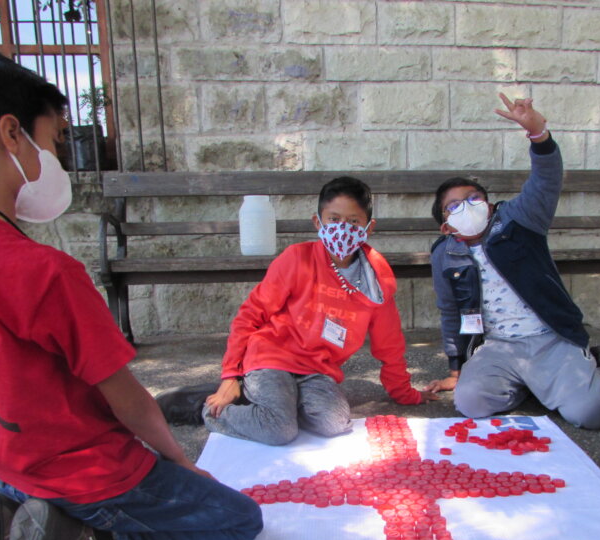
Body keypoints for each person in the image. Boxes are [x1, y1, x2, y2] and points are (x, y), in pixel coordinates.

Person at [0, 51, 262, 540]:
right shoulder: (41, 270)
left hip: (12, 465)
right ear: (10, 133)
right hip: (92, 474)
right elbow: (124, 398)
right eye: (54, 141)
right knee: (236, 521)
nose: (58, 159)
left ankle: (20, 511)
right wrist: (178, 460)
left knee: (65, 491)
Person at [157, 176, 437, 444]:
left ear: (369, 228)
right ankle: (207, 408)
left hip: (317, 368)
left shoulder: (377, 278)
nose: (343, 228)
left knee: (335, 423)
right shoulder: (296, 259)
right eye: (334, 219)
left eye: (353, 221)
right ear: (318, 222)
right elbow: (250, 316)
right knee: (279, 431)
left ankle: (263, 401)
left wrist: (405, 394)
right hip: (272, 357)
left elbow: (389, 342)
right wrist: (230, 375)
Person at [425, 94, 600, 430]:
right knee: (469, 403)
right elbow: (450, 312)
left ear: (488, 204)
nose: (467, 206)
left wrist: (538, 135)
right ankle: (533, 386)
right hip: (499, 347)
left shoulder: (518, 219)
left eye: (474, 198)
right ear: (445, 224)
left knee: (593, 414)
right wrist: (456, 370)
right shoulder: (445, 253)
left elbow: (546, 181)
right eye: (454, 206)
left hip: (550, 337)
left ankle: (597, 368)